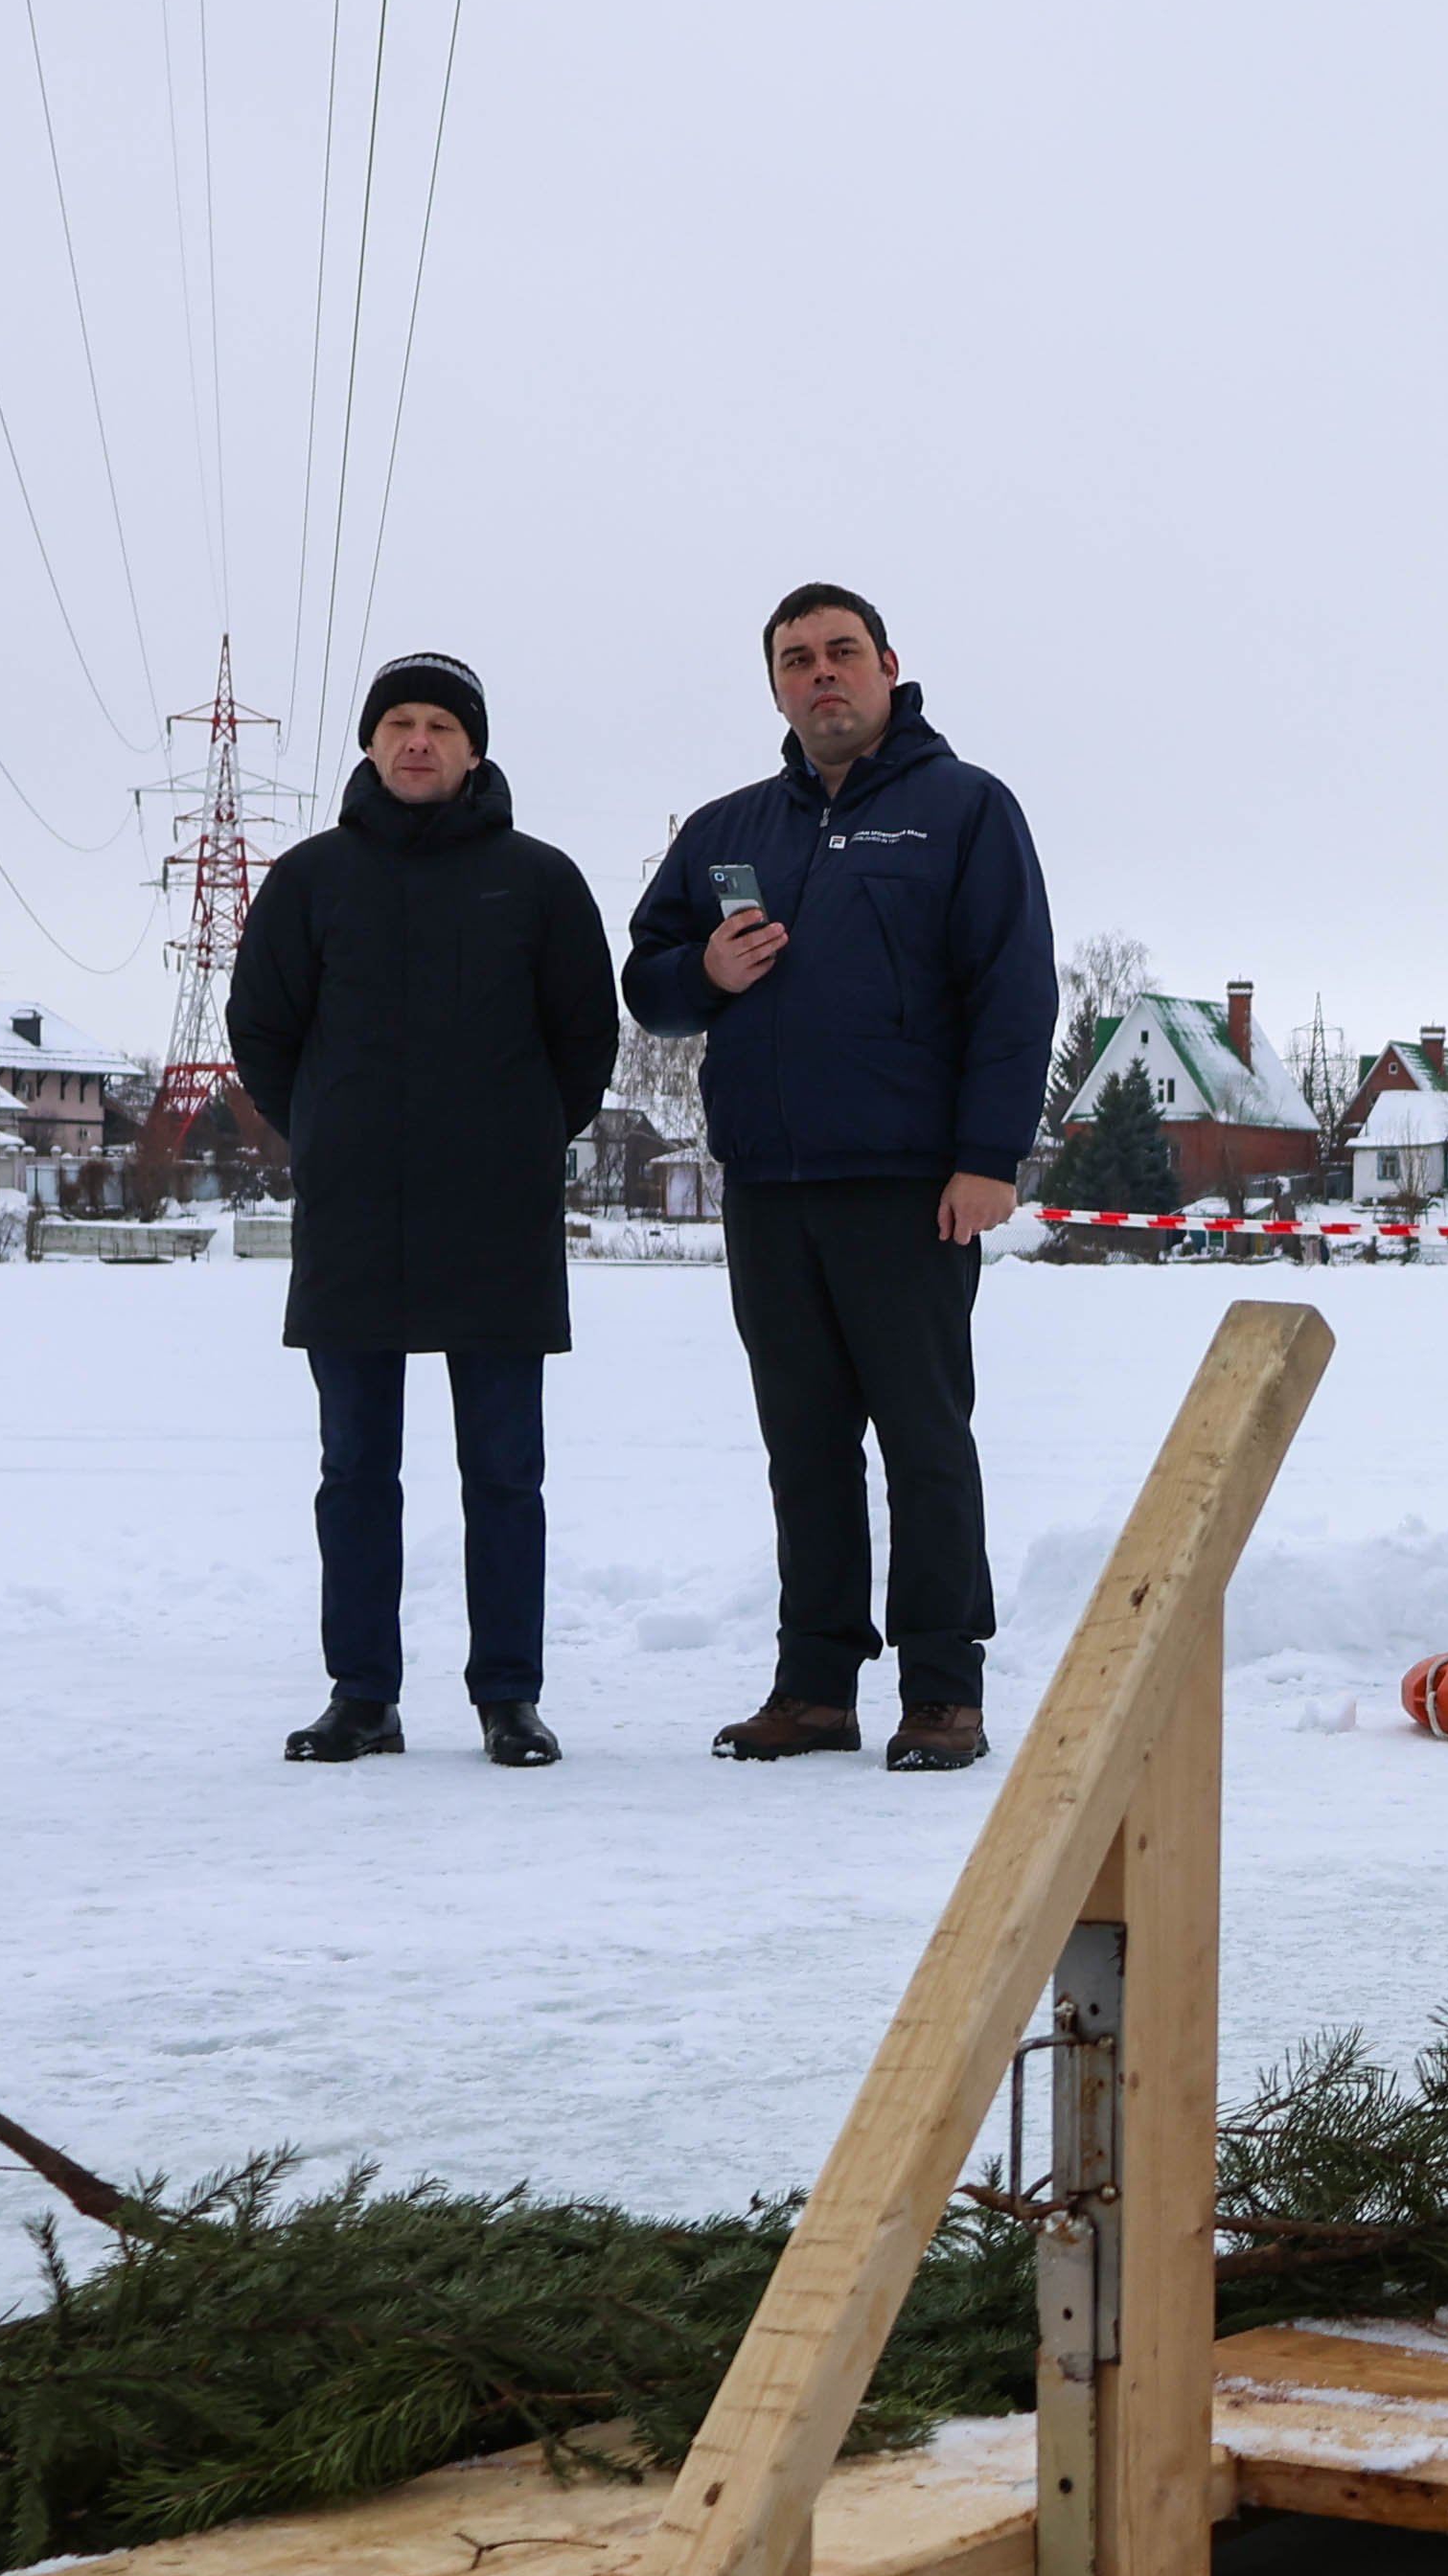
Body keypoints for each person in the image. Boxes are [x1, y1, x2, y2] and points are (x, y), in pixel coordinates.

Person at [622, 583, 1052, 1773]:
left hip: (912, 1184)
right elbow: (648, 978)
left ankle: (941, 1690)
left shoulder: (964, 810)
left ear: (888, 666)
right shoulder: (730, 827)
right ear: (774, 684)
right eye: (798, 659)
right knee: (802, 1443)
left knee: (924, 1438)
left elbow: (1014, 992)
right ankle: (813, 1687)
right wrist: (702, 967)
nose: (823, 674)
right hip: (769, 1181)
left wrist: (985, 1158)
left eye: (842, 653)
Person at [228, 650, 617, 1767]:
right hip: (355, 1217)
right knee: (356, 1468)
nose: (417, 740)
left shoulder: (539, 881)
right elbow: (262, 1027)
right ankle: (363, 1693)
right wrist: (332, 1124)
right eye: (397, 721)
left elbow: (584, 1036)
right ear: (367, 744)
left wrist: (530, 1130)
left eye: (440, 724)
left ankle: (509, 1693)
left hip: (499, 1216)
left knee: (503, 1469)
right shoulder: (309, 880)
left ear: (475, 748)